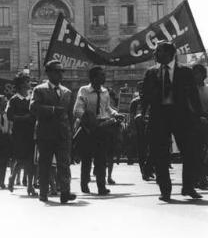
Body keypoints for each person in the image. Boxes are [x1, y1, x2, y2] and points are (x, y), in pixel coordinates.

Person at [142, 41, 205, 202]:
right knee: (160, 154)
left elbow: (193, 96)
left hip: (181, 116)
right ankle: (165, 190)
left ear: (170, 54)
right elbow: (146, 96)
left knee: (189, 152)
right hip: (159, 116)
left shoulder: (185, 72)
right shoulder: (151, 72)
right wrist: (142, 114)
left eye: (158, 51)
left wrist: (199, 115)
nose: (155, 54)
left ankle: (189, 187)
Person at [30, 60, 76, 204]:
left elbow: (70, 115)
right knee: (45, 164)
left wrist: (70, 132)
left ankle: (65, 192)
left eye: (61, 71)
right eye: (56, 71)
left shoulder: (67, 92)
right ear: (49, 73)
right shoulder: (39, 90)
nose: (59, 74)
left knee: (64, 164)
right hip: (46, 134)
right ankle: (43, 193)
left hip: (63, 134)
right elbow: (33, 108)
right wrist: (53, 110)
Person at [73, 66, 122, 195]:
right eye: (101, 75)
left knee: (101, 158)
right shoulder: (83, 91)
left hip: (103, 127)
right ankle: (84, 183)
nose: (104, 77)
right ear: (93, 78)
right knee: (87, 157)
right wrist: (88, 119)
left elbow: (107, 108)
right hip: (88, 128)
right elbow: (77, 110)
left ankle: (101, 186)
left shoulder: (105, 92)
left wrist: (115, 114)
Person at [7, 72, 37, 196]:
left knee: (31, 160)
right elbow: (10, 116)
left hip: (31, 132)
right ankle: (13, 176)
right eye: (26, 82)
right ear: (20, 85)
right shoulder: (14, 100)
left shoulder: (32, 99)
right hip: (19, 133)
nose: (29, 84)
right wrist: (24, 118)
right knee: (21, 159)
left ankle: (30, 185)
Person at [192, 64, 208, 189]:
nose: (196, 75)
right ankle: (200, 178)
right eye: (194, 73)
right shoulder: (190, 89)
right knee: (197, 151)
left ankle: (205, 174)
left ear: (203, 74)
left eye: (199, 73)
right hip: (194, 124)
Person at [130, 82, 154, 181]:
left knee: (151, 149)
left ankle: (149, 169)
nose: (141, 92)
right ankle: (143, 171)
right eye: (140, 90)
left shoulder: (151, 101)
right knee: (141, 151)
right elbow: (131, 117)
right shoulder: (135, 102)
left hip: (150, 127)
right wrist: (133, 130)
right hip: (139, 128)